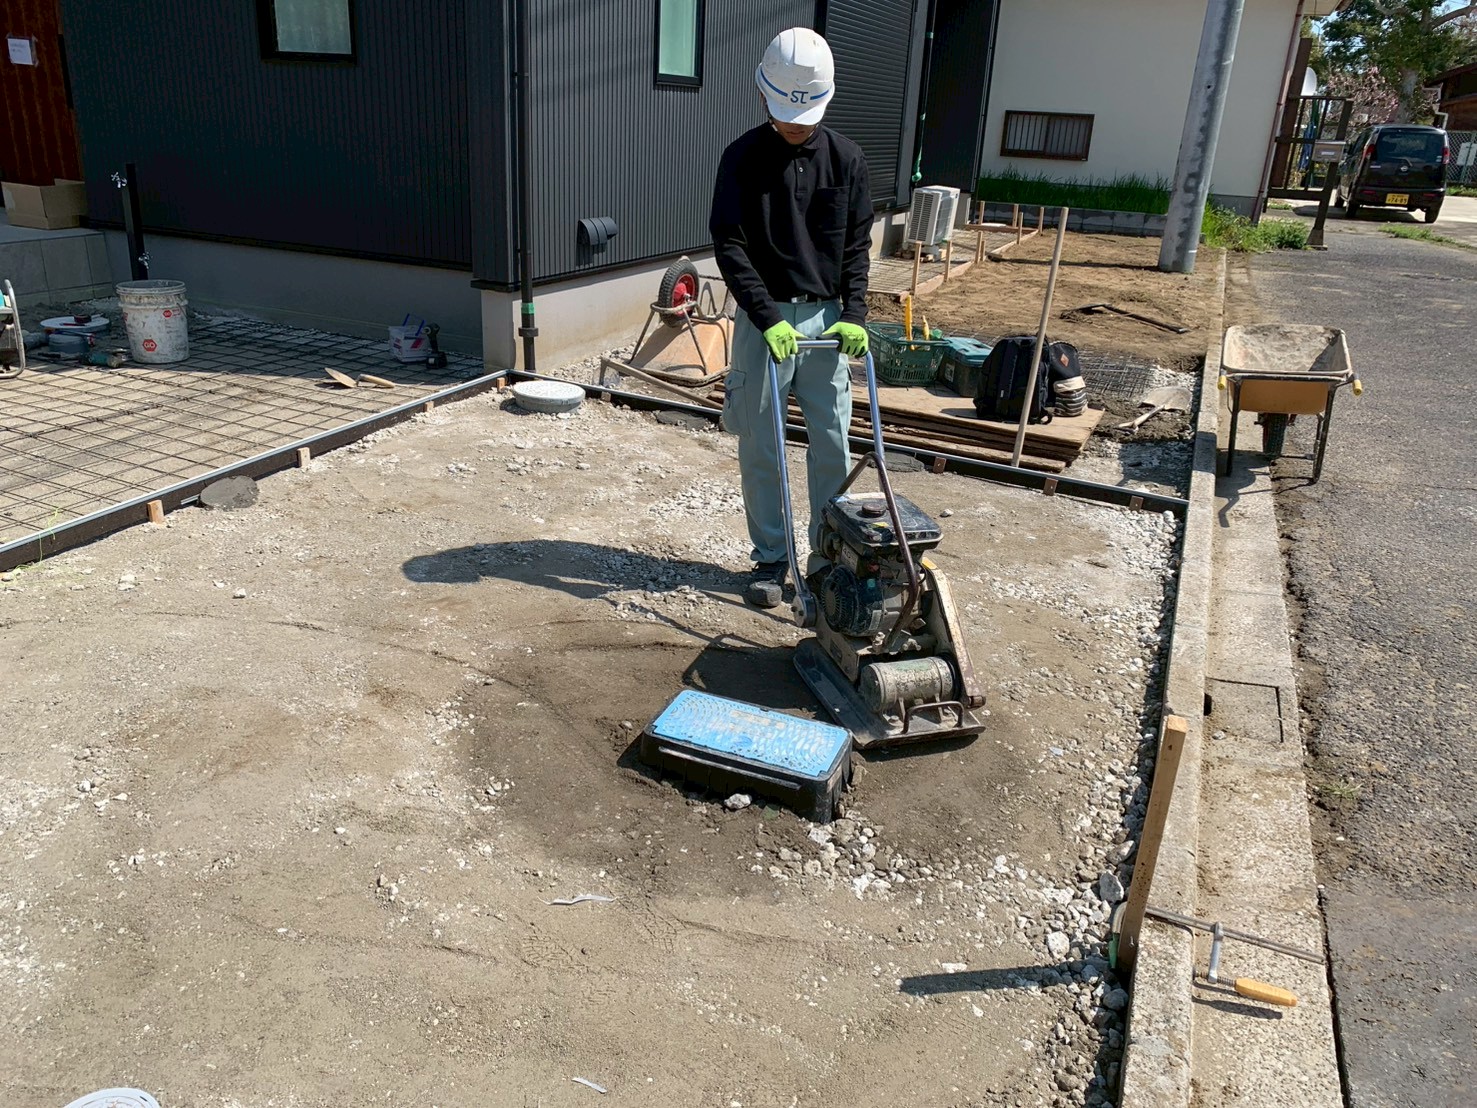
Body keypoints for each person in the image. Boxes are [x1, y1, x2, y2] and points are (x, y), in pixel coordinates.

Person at [710, 26, 873, 609]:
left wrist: (855, 313)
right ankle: (771, 557)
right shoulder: (743, 158)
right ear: (763, 95)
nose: (796, 126)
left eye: (805, 117)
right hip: (766, 321)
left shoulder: (847, 159)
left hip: (828, 322)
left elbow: (857, 246)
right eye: (786, 116)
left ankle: (829, 555)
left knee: (832, 442)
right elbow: (730, 245)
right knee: (761, 444)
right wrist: (766, 315)